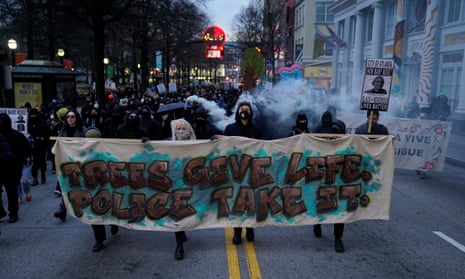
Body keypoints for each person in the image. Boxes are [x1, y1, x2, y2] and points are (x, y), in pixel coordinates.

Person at [224, 101, 263, 245]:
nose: (244, 111)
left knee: (252, 201)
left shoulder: (257, 130)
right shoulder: (230, 129)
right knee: (237, 203)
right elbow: (223, 148)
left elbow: (265, 148)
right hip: (235, 172)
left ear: (251, 113)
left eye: (247, 109)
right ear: (238, 112)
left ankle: (250, 228)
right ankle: (237, 231)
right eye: (242, 109)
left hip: (252, 171)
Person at [312, 117, 347, 253]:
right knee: (321, 204)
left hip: (340, 183)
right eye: (332, 132)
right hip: (324, 181)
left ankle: (338, 238)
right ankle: (316, 222)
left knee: (341, 211)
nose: (334, 136)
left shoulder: (348, 147)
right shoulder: (323, 145)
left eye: (337, 133)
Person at [83, 127, 120, 252]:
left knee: (109, 206)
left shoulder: (107, 150)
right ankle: (99, 239)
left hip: (107, 184)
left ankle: (113, 222)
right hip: (91, 186)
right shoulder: (82, 151)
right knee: (95, 211)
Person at [170, 118, 196, 260]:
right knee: (177, 212)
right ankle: (179, 245)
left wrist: (213, 142)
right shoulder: (167, 144)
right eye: (178, 129)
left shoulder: (197, 145)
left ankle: (184, 230)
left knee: (189, 210)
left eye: (183, 129)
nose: (181, 131)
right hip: (176, 185)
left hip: (192, 184)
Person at [54, 109, 85, 222]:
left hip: (80, 163)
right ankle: (63, 210)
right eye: (68, 117)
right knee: (65, 186)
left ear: (77, 118)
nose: (70, 119)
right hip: (66, 163)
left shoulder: (83, 131)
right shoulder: (63, 131)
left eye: (72, 117)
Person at [0, 113, 32, 223]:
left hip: (12, 168)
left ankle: (13, 213)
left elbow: (27, 149)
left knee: (11, 192)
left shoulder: (17, 136)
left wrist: (17, 157)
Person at [28, 108, 50, 185]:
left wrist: (43, 140)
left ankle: (43, 174)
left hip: (41, 145)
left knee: (42, 161)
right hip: (31, 146)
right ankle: (35, 178)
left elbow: (47, 134)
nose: (33, 117)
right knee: (34, 163)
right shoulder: (28, 123)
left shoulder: (43, 123)